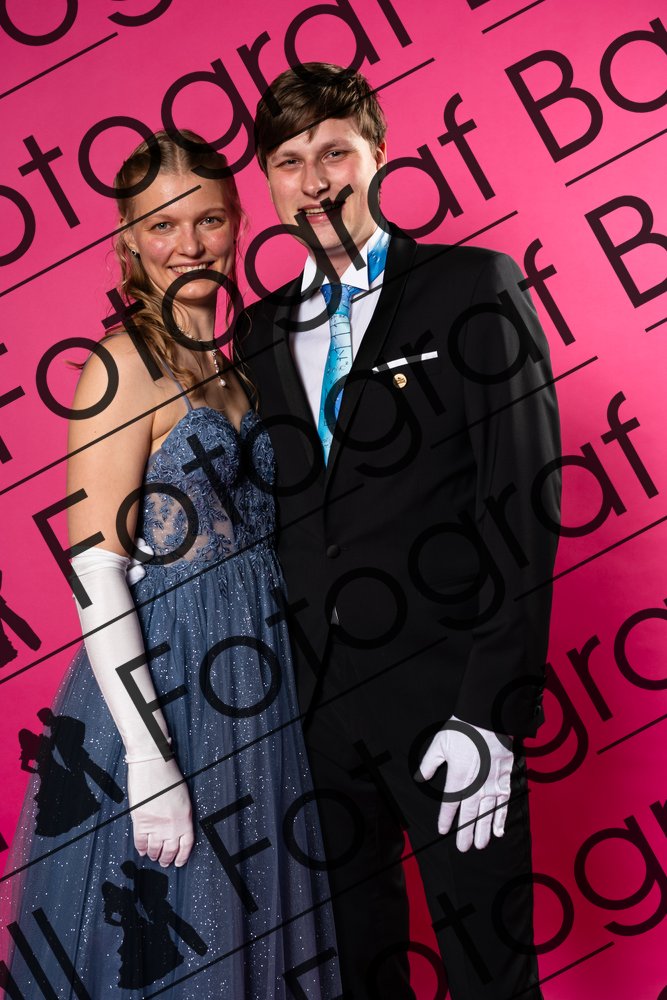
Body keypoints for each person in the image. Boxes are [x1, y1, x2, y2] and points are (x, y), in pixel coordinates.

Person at [239, 64, 562, 1000]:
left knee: (489, 974)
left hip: (449, 695)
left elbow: (523, 502)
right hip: (313, 716)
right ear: (269, 184)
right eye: (289, 161)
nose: (315, 180)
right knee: (356, 974)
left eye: (335, 152)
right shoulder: (258, 330)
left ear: (378, 157)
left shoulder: (470, 285)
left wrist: (490, 715)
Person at [0, 130, 341, 999]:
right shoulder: (119, 367)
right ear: (128, 239)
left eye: (209, 220)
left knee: (255, 933)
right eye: (161, 225)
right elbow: (97, 573)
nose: (188, 244)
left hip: (260, 684)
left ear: (238, 223)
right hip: (168, 688)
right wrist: (150, 761)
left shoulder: (239, 367)